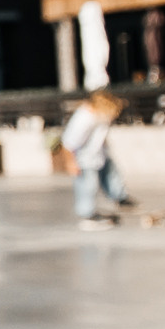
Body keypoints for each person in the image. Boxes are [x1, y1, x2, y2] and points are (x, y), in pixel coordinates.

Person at [62, 91, 135, 229]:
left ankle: (120, 198)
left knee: (111, 174)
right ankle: (87, 215)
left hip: (98, 154)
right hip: (84, 159)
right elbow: (68, 142)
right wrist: (71, 162)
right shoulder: (84, 118)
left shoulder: (98, 115)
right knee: (88, 185)